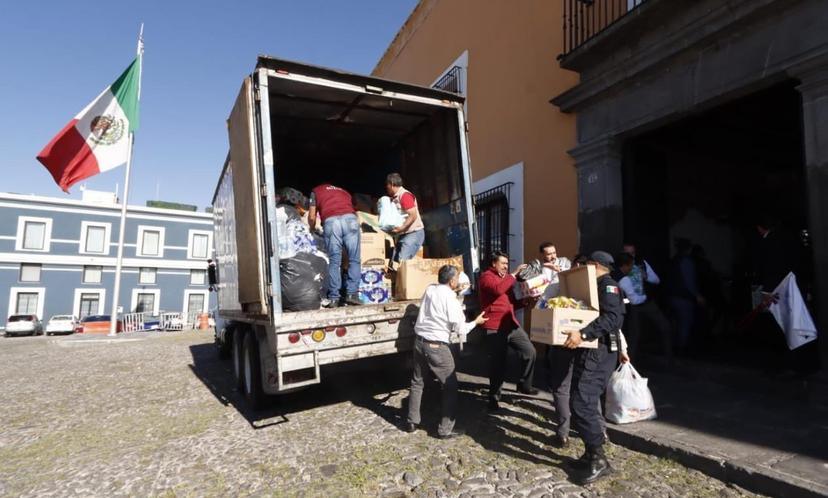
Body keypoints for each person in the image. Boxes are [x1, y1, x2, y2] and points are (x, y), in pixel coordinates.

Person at [561, 251, 624, 485]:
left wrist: (584, 333)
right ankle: (590, 454)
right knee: (579, 398)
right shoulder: (593, 285)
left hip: (601, 350)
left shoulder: (608, 286)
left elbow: (613, 319)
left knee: (582, 400)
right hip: (589, 349)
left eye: (586, 265)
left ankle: (599, 459)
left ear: (595, 265)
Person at [404, 265, 487, 439]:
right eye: (457, 278)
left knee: (417, 381)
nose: (458, 281)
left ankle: (412, 420)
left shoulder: (430, 289)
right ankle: (445, 429)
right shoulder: (451, 299)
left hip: (419, 341)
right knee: (450, 386)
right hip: (437, 345)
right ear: (452, 281)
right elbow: (460, 328)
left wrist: (456, 291)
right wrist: (476, 322)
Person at [479, 251, 538, 411]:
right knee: (498, 364)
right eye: (503, 263)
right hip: (494, 326)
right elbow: (498, 290)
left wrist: (525, 302)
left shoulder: (506, 279)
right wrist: (514, 274)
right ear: (493, 264)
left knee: (530, 352)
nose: (506, 266)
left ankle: (524, 385)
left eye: (507, 264)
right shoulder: (486, 277)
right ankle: (493, 398)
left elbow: (510, 302)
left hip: (511, 323)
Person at [308, 183, 361, 308]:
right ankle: (352, 295)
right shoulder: (344, 191)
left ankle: (334, 298)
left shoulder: (315, 191)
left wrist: (311, 230)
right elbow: (354, 210)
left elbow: (311, 216)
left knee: (334, 261)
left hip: (332, 222)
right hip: (351, 220)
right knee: (354, 259)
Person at [616, 252, 673, 362]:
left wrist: (645, 277)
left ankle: (669, 358)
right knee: (634, 336)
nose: (631, 255)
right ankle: (629, 364)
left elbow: (656, 280)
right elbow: (632, 298)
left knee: (665, 326)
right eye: (627, 252)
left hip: (648, 303)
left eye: (632, 252)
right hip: (634, 306)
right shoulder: (621, 275)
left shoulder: (642, 264)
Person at [666, 238, 702, 355]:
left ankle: (677, 346)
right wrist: (697, 295)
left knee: (677, 323)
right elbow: (689, 281)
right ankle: (681, 349)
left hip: (673, 296)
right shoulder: (686, 261)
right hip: (683, 297)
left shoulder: (674, 260)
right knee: (685, 323)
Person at [385, 173, 425, 262]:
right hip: (403, 235)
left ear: (391, 184)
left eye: (387, 185)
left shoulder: (404, 196)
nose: (386, 187)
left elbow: (413, 215)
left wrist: (401, 228)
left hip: (413, 234)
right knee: (394, 263)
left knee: (402, 262)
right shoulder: (395, 198)